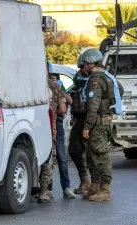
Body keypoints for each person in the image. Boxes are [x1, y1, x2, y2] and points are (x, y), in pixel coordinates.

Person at [80, 49, 124, 202]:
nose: (83, 66)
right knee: (92, 156)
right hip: (104, 121)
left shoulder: (95, 81)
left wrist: (86, 126)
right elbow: (121, 90)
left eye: (85, 64)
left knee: (100, 156)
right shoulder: (107, 77)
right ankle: (95, 187)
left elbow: (93, 106)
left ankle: (105, 190)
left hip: (98, 123)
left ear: (91, 63)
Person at [38, 61, 67, 203]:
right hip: (49, 128)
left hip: (30, 126)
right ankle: (44, 191)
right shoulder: (54, 86)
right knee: (47, 159)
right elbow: (63, 109)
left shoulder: (31, 85)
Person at [47, 72, 76, 199]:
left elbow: (65, 107)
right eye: (51, 78)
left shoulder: (58, 89)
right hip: (52, 122)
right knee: (55, 158)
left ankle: (53, 189)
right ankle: (59, 188)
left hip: (52, 123)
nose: (53, 80)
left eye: (55, 79)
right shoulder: (51, 88)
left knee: (54, 157)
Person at [68, 55, 91, 194]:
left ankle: (97, 184)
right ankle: (85, 180)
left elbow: (118, 90)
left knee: (94, 152)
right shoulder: (78, 79)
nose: (83, 69)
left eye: (85, 65)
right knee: (74, 149)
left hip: (93, 118)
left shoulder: (100, 78)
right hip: (80, 118)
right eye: (81, 66)